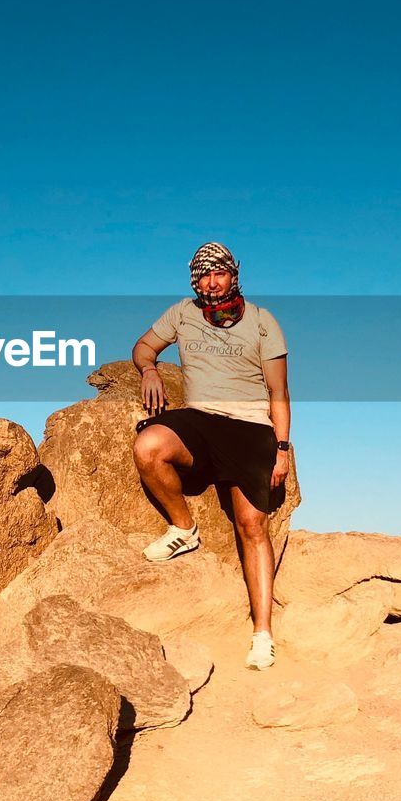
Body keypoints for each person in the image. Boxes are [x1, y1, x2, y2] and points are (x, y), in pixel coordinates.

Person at [130, 241, 291, 670]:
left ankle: (262, 636)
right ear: (194, 281)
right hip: (201, 420)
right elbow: (143, 348)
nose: (212, 282)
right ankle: (184, 528)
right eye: (203, 275)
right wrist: (149, 370)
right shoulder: (182, 312)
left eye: (219, 273)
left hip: (252, 426)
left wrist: (282, 448)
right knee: (149, 446)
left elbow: (279, 393)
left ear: (233, 276)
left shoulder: (261, 321)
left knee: (251, 526)